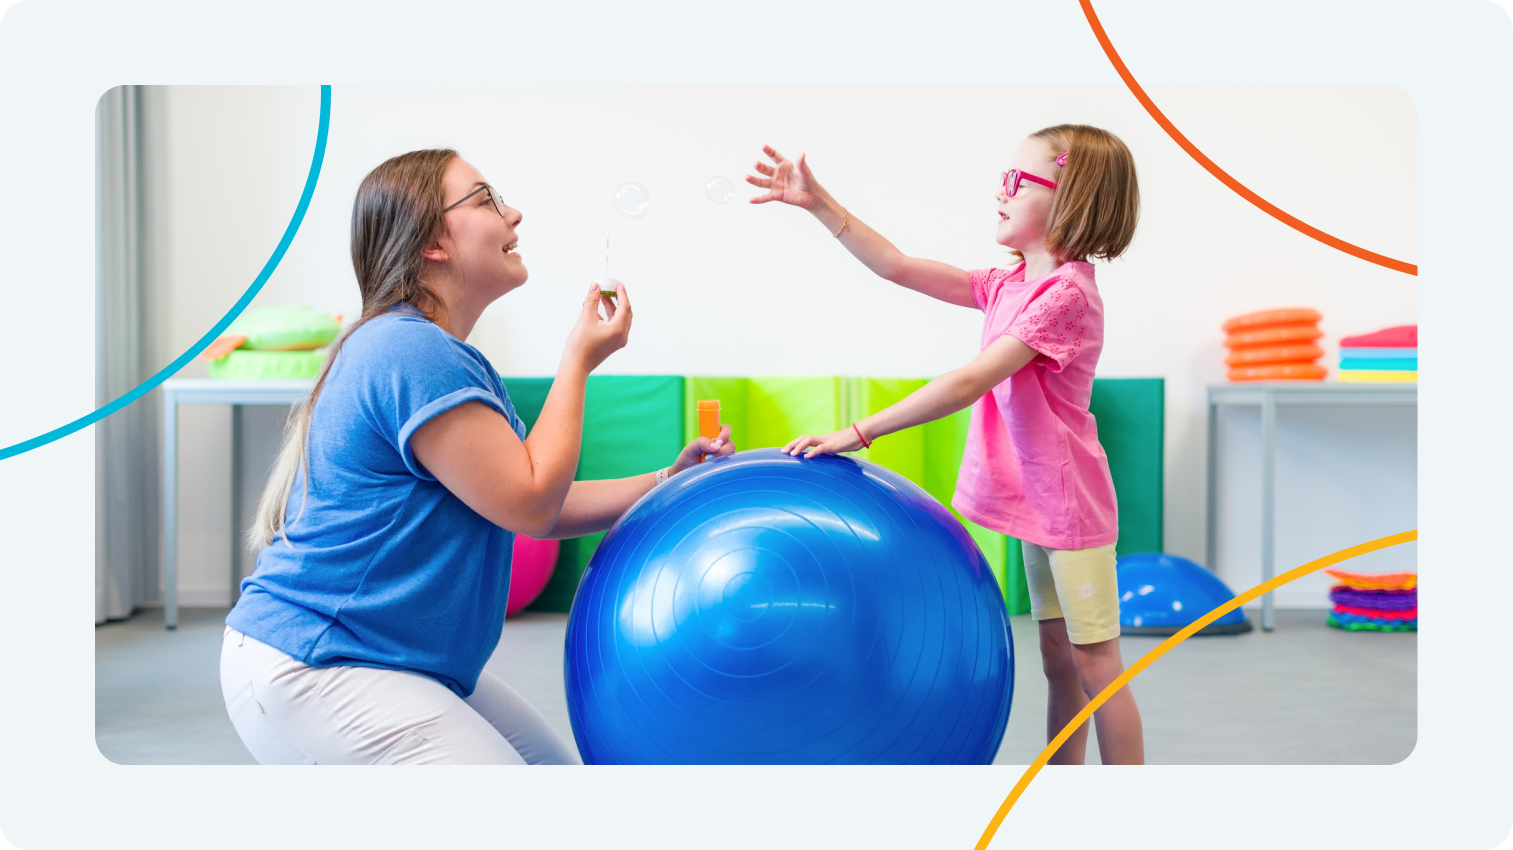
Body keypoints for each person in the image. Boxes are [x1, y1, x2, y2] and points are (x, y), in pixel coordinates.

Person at [220, 148, 736, 765]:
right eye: (487, 199)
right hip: (320, 663)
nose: (513, 213)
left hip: (391, 658)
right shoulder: (409, 351)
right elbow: (530, 499)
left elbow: (532, 501)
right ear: (433, 242)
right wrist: (577, 358)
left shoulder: (437, 354)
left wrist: (667, 480)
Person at [747, 125, 1144, 765]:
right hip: (1037, 500)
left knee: (1097, 663)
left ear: (1070, 199)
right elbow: (898, 266)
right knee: (1057, 660)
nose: (1000, 192)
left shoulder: (1066, 295)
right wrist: (820, 205)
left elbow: (970, 380)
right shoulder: (1011, 284)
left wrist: (857, 432)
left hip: (1069, 508)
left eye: (1017, 182)